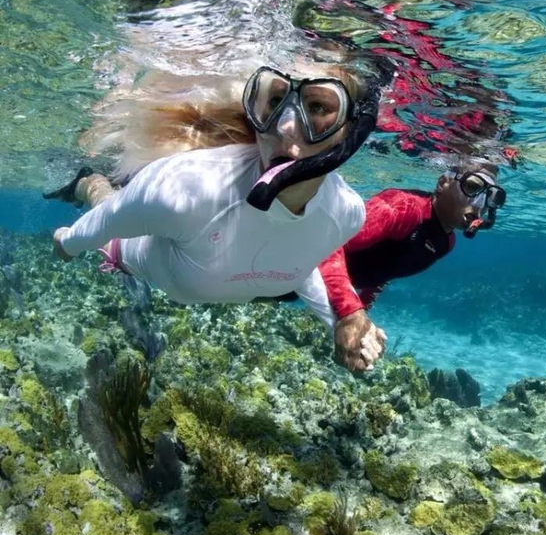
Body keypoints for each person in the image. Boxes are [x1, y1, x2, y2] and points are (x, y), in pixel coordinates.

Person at [45, 49, 395, 369]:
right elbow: (108, 220)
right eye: (274, 102)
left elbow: (298, 258)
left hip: (193, 271)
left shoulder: (347, 214)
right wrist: (68, 243)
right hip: (135, 252)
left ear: (351, 132)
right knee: (105, 201)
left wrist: (341, 321)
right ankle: (88, 181)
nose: (284, 126)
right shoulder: (183, 191)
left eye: (318, 107)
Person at [317, 162, 506, 372]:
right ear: (443, 183)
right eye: (472, 187)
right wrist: (351, 315)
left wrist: (361, 329)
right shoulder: (402, 207)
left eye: (490, 196)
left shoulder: (446, 243)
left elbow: (384, 272)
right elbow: (327, 246)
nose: (479, 204)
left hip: (320, 285)